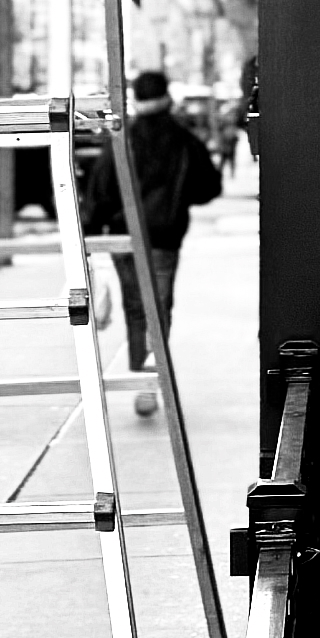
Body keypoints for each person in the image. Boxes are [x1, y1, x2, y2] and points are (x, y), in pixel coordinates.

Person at [78, 61, 221, 416]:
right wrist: (179, 196)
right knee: (159, 309)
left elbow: (100, 191)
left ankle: (143, 378)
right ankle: (151, 379)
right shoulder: (184, 139)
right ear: (167, 98)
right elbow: (209, 187)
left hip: (125, 237)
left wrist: (92, 233)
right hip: (164, 239)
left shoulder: (121, 140)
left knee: (137, 308)